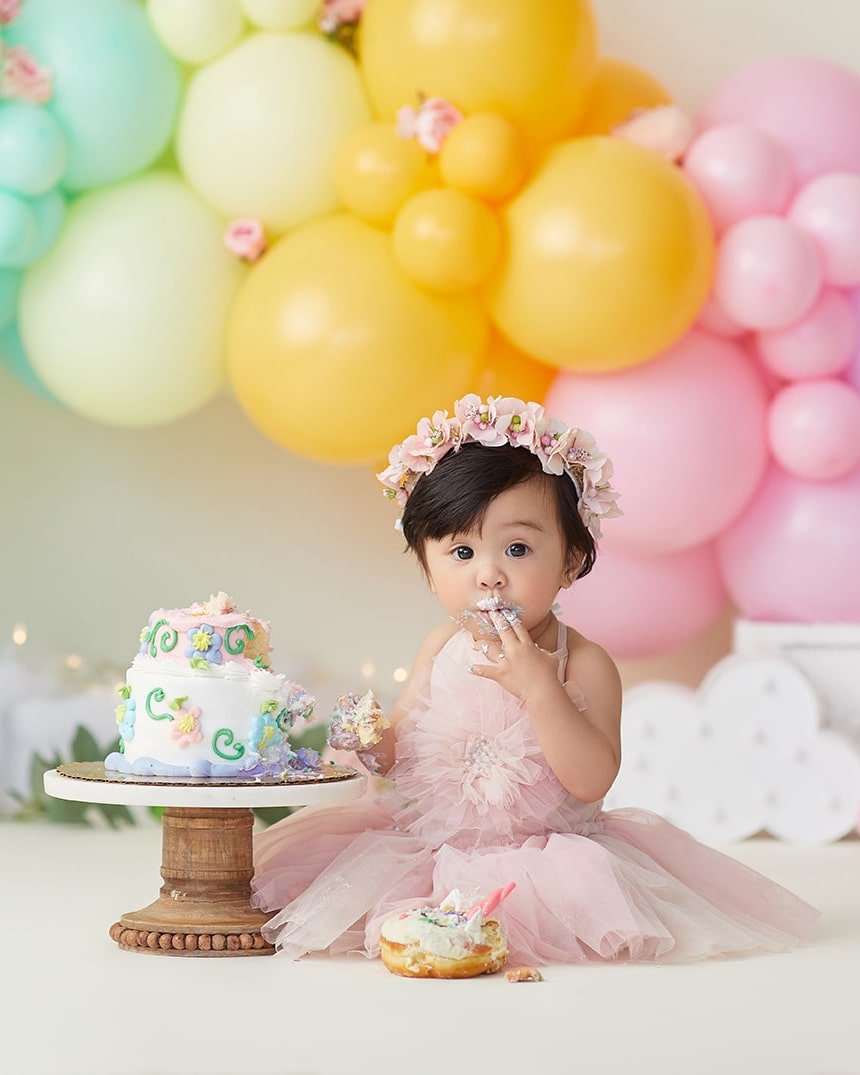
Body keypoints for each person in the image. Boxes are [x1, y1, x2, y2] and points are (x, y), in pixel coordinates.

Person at [252, 394, 819, 963]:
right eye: (462, 552)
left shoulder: (584, 663)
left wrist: (540, 688)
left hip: (547, 861)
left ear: (571, 561)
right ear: (428, 569)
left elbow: (592, 779)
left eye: (517, 548)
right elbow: (399, 758)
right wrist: (373, 743)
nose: (489, 574)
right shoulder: (442, 648)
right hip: (430, 855)